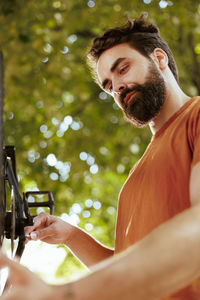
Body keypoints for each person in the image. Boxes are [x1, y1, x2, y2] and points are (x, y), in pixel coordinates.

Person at [1, 13, 200, 300]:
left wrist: (64, 294)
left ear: (159, 58)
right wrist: (72, 236)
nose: (116, 87)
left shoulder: (194, 117)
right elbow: (129, 271)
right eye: (108, 85)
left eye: (123, 69)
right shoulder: (134, 180)